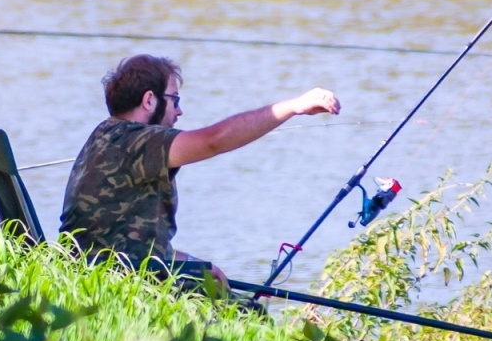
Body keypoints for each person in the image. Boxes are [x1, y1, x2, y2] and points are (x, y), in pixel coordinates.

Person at [60, 53, 340, 287]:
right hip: (118, 279)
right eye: (175, 101)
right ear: (149, 100)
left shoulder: (104, 136)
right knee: (249, 314)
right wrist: (294, 107)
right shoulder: (139, 140)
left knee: (217, 286)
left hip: (98, 271)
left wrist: (196, 265)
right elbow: (213, 141)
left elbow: (127, 241)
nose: (179, 112)